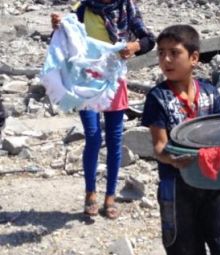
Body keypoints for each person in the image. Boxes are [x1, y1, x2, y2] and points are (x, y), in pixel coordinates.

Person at [141, 25, 220, 255]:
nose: (166, 59)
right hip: (177, 188)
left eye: (174, 53)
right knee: (184, 253)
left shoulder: (210, 93)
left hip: (216, 185)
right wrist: (175, 160)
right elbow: (159, 147)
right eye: (161, 53)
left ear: (194, 58)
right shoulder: (157, 98)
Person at [51, 0, 155, 219]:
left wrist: (133, 47)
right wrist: (59, 26)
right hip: (86, 81)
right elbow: (68, 32)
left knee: (115, 139)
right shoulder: (83, 8)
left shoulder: (126, 8)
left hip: (114, 81)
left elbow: (149, 40)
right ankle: (90, 192)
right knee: (92, 135)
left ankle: (110, 196)